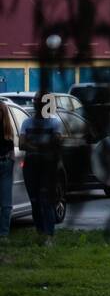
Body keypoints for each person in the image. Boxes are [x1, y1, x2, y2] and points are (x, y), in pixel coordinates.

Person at [19, 94, 63, 246]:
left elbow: (57, 142)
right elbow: (22, 144)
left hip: (47, 166)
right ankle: (40, 232)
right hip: (32, 164)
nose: (39, 105)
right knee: (35, 201)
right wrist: (45, 145)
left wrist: (34, 144)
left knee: (46, 200)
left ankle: (49, 234)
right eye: (37, 102)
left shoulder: (54, 123)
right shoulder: (26, 122)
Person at [0, 104, 14, 239]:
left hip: (5, 163)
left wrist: (11, 159)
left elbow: (12, 150)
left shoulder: (7, 131)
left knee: (6, 204)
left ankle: (3, 234)